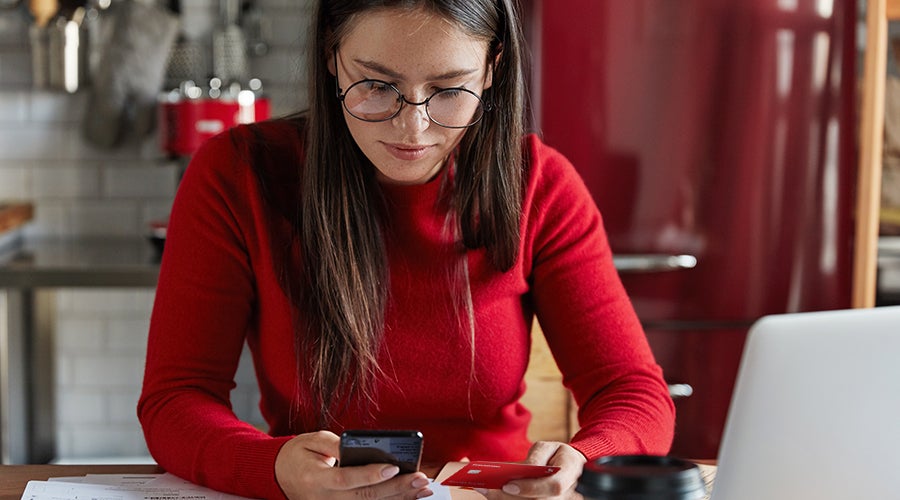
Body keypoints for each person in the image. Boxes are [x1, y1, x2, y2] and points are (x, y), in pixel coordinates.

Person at [137, 0, 676, 499]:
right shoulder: (236, 176)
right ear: (332, 54)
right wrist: (274, 466)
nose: (412, 127)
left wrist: (586, 459)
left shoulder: (540, 184)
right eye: (376, 84)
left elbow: (632, 392)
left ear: (491, 68)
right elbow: (176, 398)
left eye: (449, 89)